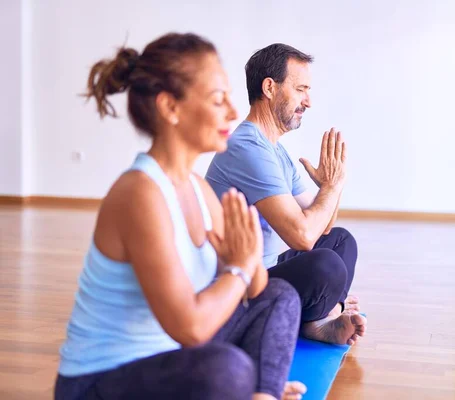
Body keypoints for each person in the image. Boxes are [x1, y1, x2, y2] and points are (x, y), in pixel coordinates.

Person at [54, 33, 306, 400]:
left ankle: (262, 395)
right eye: (217, 99)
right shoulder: (139, 194)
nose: (233, 113)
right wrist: (238, 267)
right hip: (99, 382)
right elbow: (190, 327)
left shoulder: (199, 190)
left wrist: (248, 262)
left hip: (170, 358)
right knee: (227, 370)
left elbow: (253, 291)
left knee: (280, 295)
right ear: (170, 107)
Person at [206, 43, 367, 346]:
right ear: (270, 87)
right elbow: (303, 237)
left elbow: (324, 227)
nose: (308, 101)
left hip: (263, 272)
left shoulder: (275, 151)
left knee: (341, 241)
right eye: (301, 89)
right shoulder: (248, 148)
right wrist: (330, 188)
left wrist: (333, 184)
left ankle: (315, 318)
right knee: (327, 266)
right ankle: (322, 316)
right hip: (235, 289)